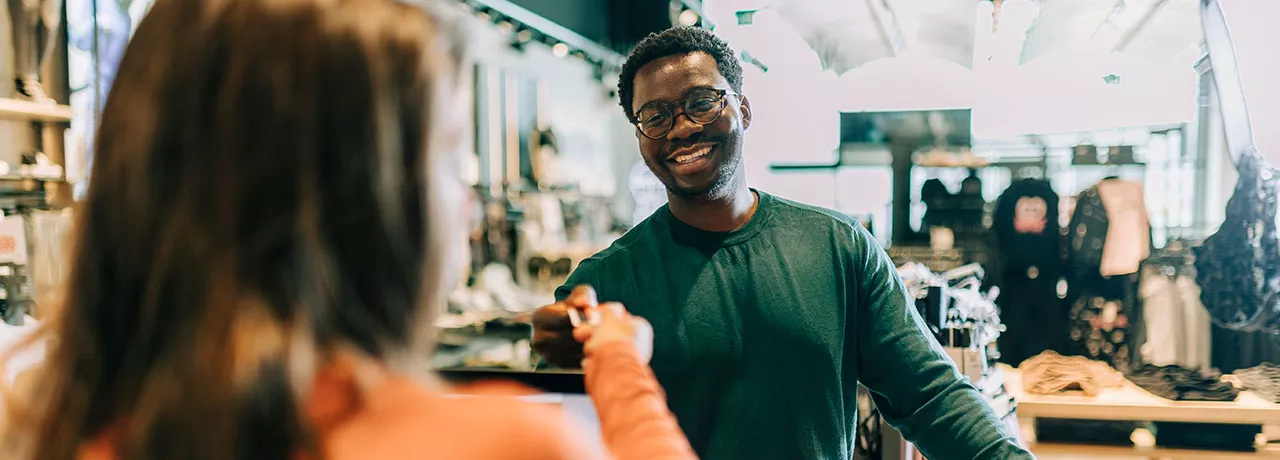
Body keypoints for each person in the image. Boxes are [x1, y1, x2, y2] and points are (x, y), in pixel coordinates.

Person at [0, 1, 695, 459]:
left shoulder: (46, 429)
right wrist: (621, 362)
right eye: (450, 156)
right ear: (375, 197)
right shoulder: (490, 445)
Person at [532, 27, 1036, 460]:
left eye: (701, 102)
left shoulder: (839, 248)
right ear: (640, 135)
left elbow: (930, 396)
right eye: (656, 116)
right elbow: (558, 430)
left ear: (743, 110)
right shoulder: (605, 283)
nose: (682, 127)